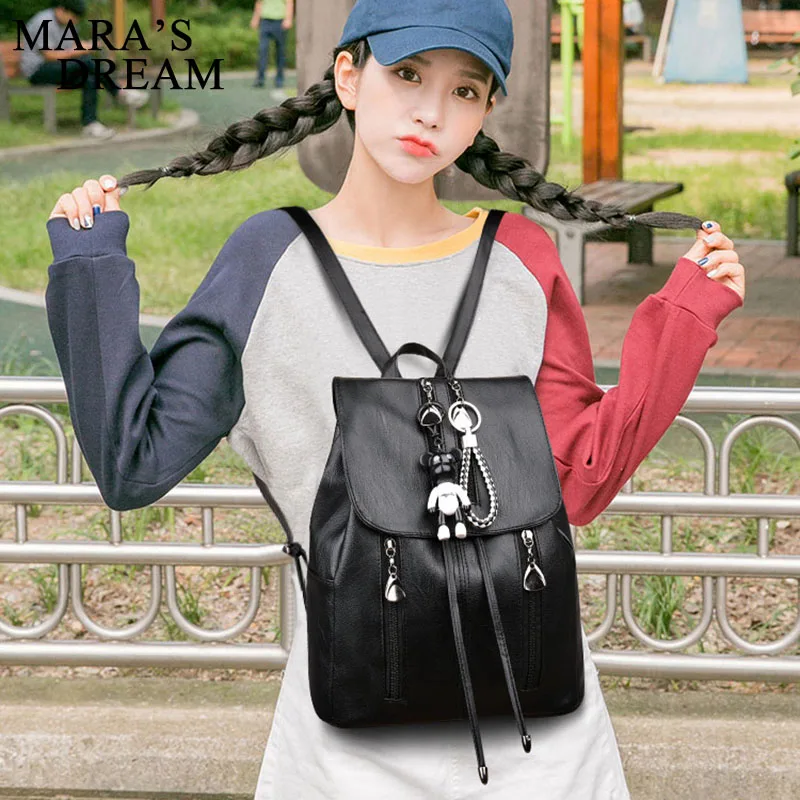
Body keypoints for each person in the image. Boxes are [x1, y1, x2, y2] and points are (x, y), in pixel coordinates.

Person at [43, 0, 744, 796]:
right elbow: (133, 463)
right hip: (347, 728)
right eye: (408, 74)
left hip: (538, 730)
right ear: (348, 75)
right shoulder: (265, 259)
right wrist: (90, 268)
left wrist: (683, 317)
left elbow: (579, 479)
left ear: (485, 110)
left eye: (465, 90)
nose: (431, 112)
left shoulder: (521, 256)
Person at [19, 1, 150, 139]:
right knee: (86, 61)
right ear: (61, 10)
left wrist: (88, 45)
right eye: (73, 17)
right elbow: (49, 55)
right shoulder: (43, 21)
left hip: (59, 69)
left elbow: (70, 46)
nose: (75, 21)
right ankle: (118, 92)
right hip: (38, 70)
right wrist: (79, 51)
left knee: (90, 78)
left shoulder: (67, 24)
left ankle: (90, 125)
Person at [250, 0, 294, 101]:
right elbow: (259, 3)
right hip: (265, 21)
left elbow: (289, 2)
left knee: (280, 53)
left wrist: (288, 19)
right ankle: (260, 79)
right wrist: (255, 19)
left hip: (279, 21)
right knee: (262, 50)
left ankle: (279, 80)